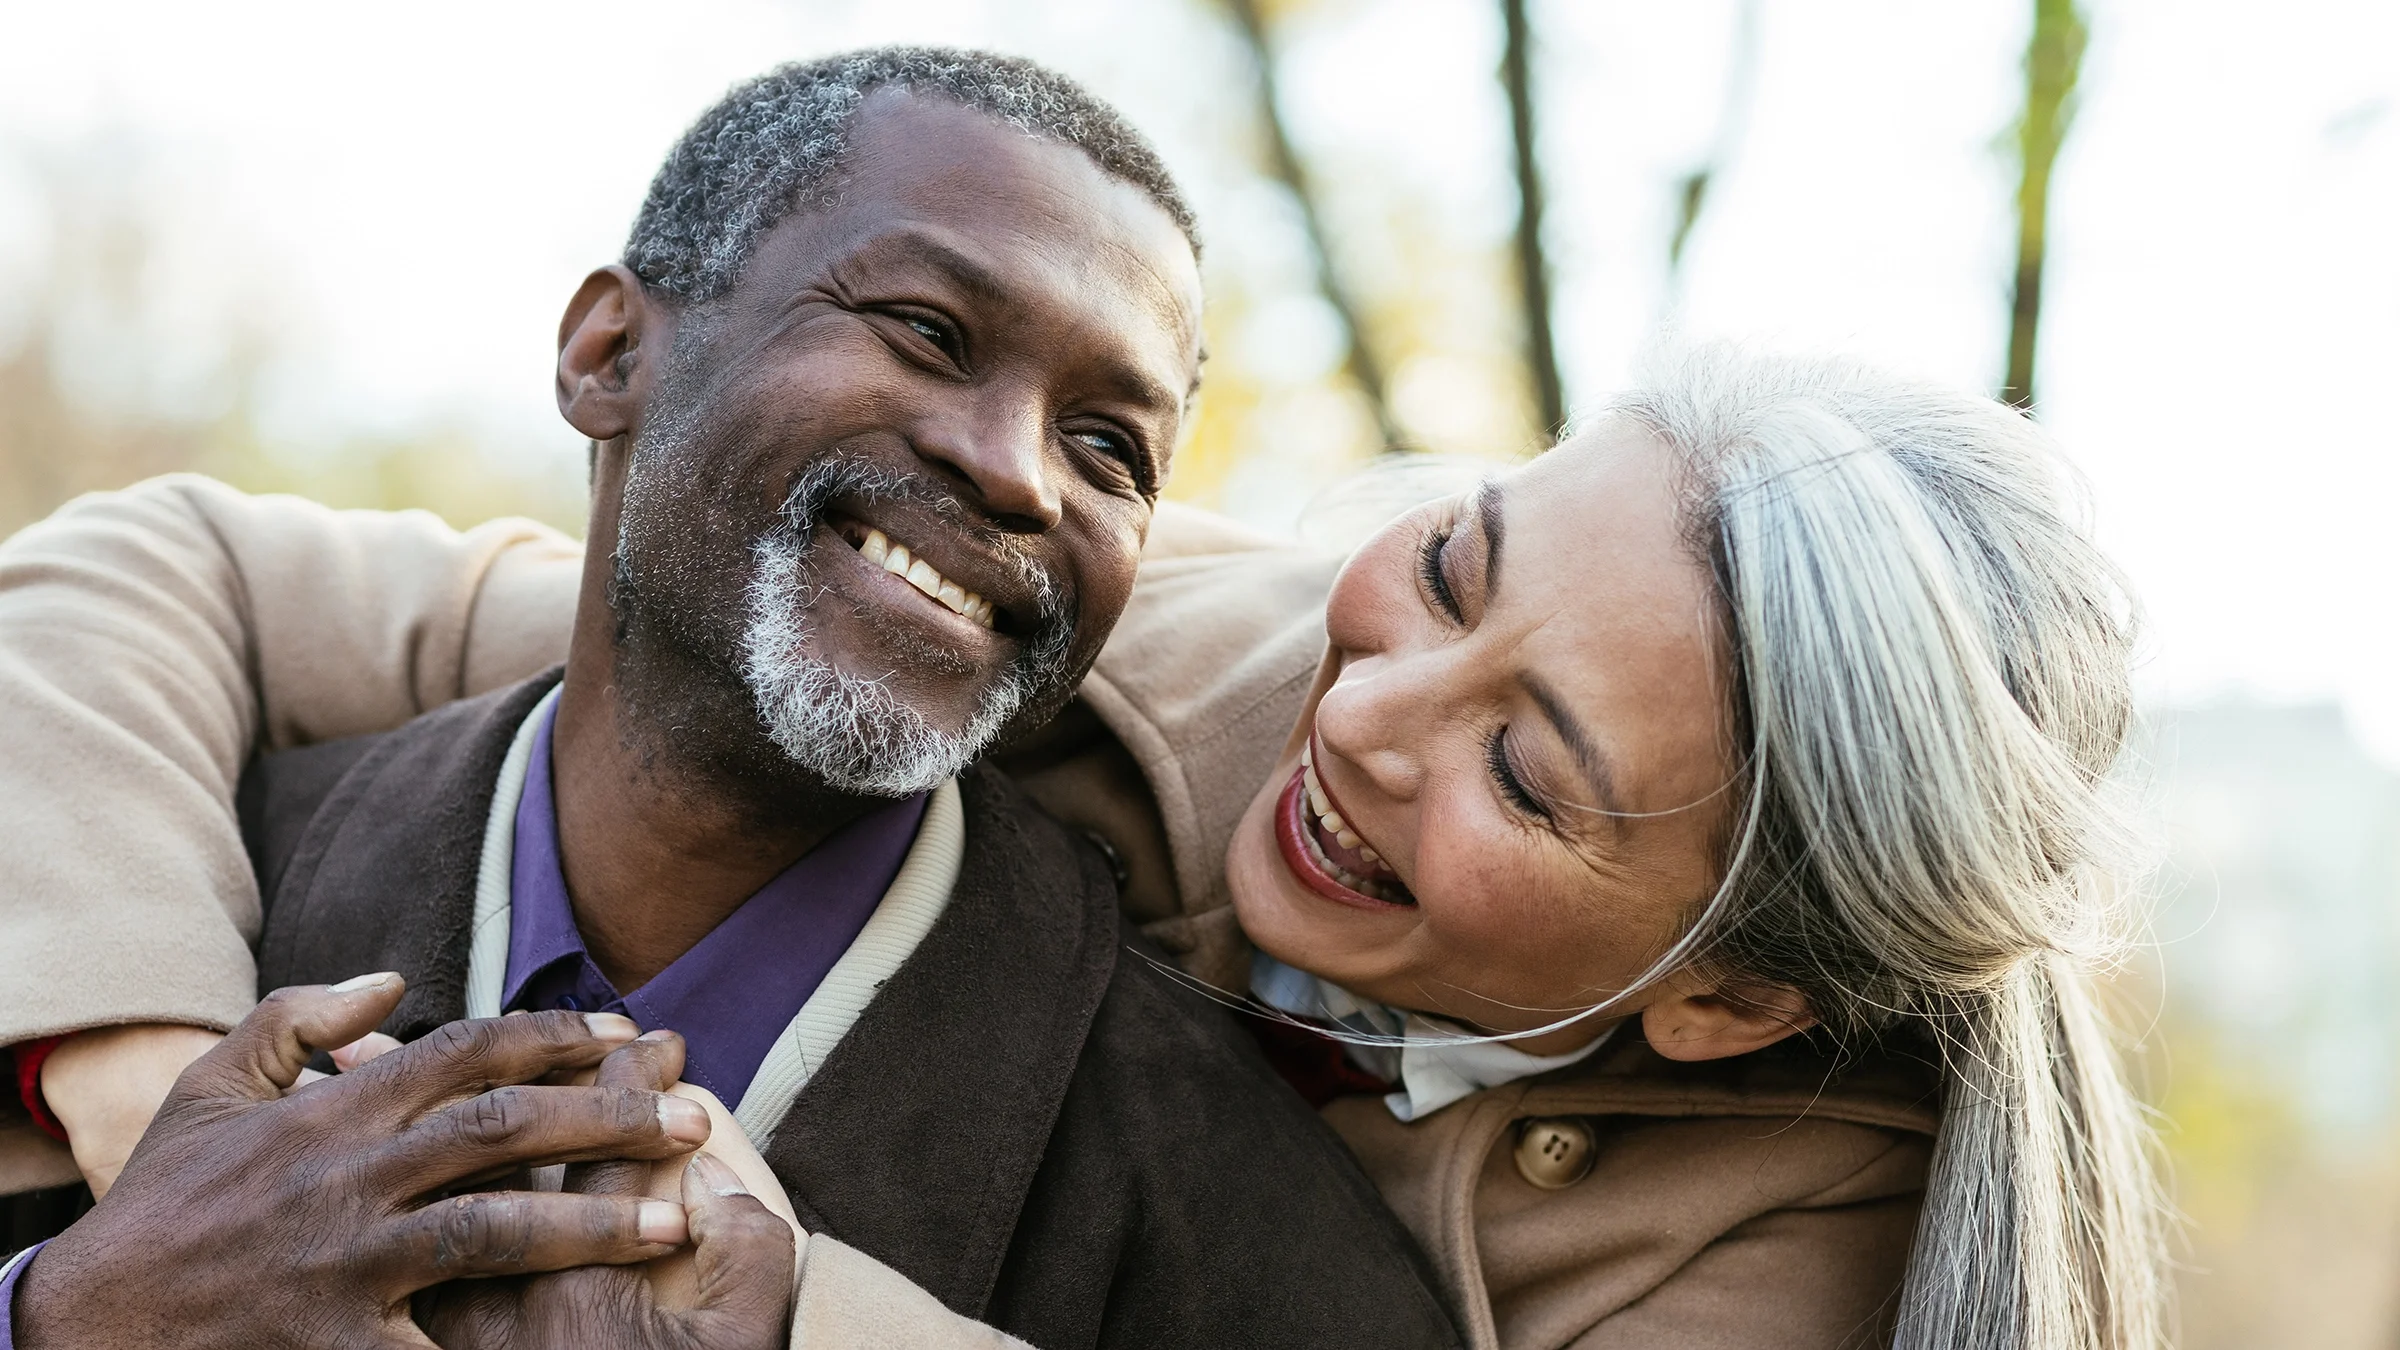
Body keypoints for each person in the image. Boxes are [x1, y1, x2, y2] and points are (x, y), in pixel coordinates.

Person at [0, 342, 2171, 1348]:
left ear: (1726, 997)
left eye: (1531, 773)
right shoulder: (1114, 631)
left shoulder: (1811, 1268)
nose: (1376, 711)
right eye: (1455, 558)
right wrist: (155, 1123)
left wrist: (792, 1323)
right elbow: (162, 570)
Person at [0, 47, 1467, 1350]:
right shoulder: (146, 914)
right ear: (608, 354)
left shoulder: (1253, 1238)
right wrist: (66, 1311)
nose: (1023, 472)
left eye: (1110, 446)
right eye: (929, 329)